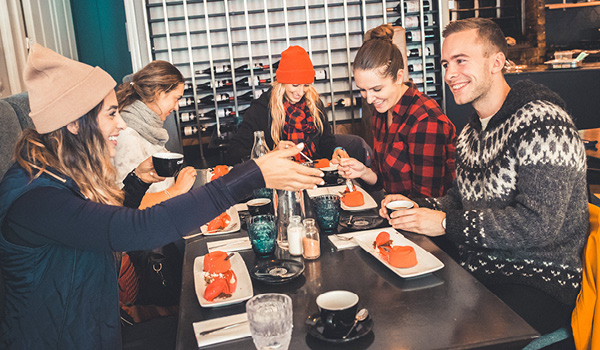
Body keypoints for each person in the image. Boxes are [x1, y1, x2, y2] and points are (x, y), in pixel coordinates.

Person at [0, 44, 324, 349]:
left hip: (96, 330)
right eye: (112, 114)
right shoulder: (36, 198)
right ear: (73, 123)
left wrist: (138, 182)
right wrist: (253, 173)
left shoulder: (55, 177)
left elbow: (101, 225)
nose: (121, 126)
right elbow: (136, 229)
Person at [380, 18, 588, 336]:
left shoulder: (544, 123)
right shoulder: (470, 133)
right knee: (398, 305)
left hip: (539, 279)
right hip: (482, 269)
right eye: (446, 64)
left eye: (462, 61)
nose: (450, 74)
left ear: (497, 62)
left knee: (444, 334)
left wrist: (446, 223)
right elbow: (459, 199)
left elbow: (540, 226)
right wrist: (416, 205)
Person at [335, 24, 456, 198]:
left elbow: (428, 200)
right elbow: (382, 180)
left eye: (376, 89)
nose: (369, 99)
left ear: (399, 77)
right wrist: (363, 171)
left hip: (424, 218)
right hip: (396, 210)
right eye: (362, 89)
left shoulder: (425, 120)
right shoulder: (381, 111)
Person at [227, 45, 346, 164]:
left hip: (314, 172)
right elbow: (234, 153)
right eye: (295, 85)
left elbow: (327, 143)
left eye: (306, 85)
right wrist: (273, 154)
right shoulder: (260, 110)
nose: (300, 93)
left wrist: (335, 151)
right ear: (282, 82)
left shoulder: (314, 104)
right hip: (278, 176)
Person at [114, 60, 196, 209]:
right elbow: (124, 204)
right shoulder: (127, 136)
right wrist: (177, 190)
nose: (177, 107)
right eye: (176, 98)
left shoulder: (149, 130)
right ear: (159, 93)